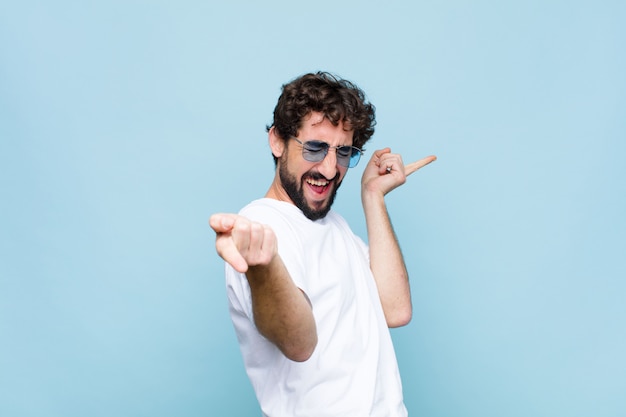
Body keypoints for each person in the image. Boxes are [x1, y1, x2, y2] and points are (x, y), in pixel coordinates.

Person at [209, 71, 436, 417]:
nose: (330, 169)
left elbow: (395, 310)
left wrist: (372, 196)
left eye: (344, 153)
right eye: (315, 147)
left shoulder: (335, 226)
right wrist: (264, 265)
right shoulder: (264, 225)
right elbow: (299, 343)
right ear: (277, 141)